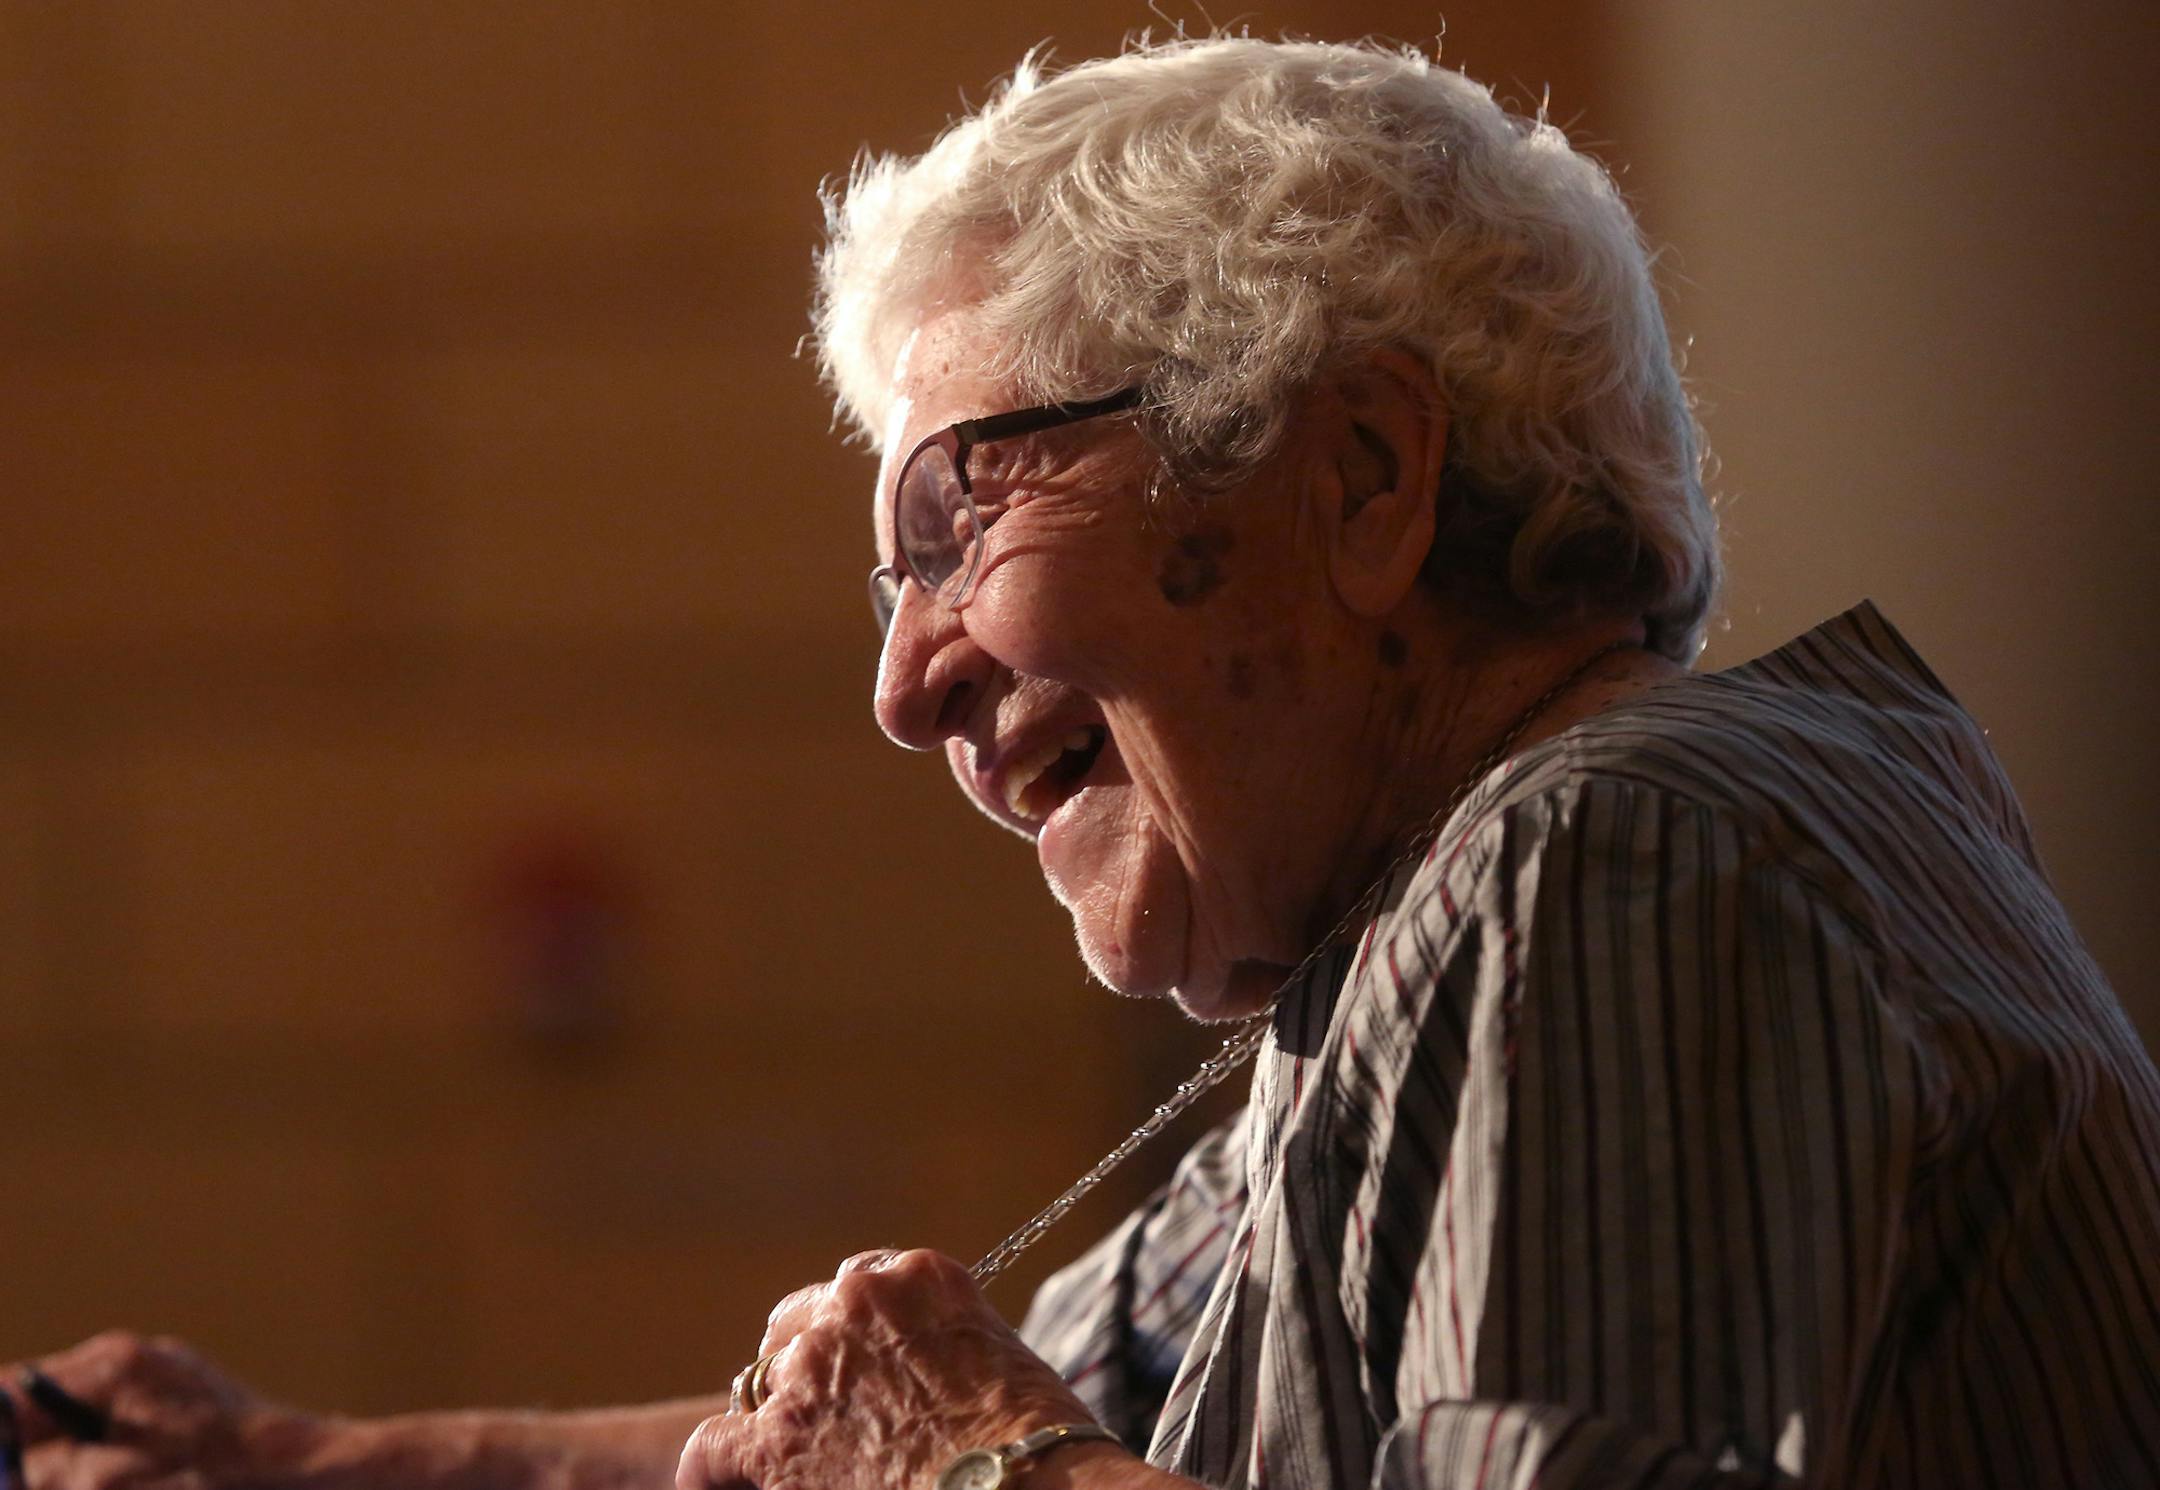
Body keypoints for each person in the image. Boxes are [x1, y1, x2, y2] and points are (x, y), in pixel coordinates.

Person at [7, 35, 2158, 1490]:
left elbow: (965, 1432)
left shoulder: (1620, 859)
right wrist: (286, 1457)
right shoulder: (1454, 927)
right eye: (885, 582)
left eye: (962, 519)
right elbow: (950, 1401)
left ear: (1370, 475)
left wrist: (970, 1462)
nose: (906, 682)